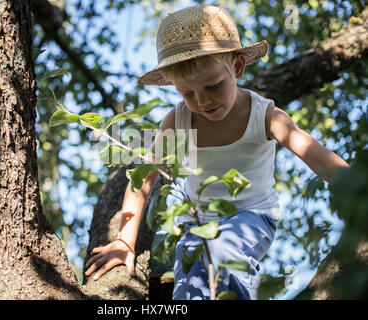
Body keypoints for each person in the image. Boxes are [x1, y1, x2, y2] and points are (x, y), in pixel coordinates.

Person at [84, 5, 350, 300]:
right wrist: (125, 241)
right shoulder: (179, 121)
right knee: (187, 260)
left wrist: (359, 190)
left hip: (252, 216)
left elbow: (318, 157)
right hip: (197, 222)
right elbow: (145, 176)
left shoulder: (265, 116)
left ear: (237, 67)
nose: (201, 101)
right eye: (187, 93)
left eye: (213, 86)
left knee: (220, 248)